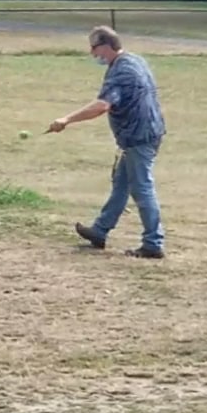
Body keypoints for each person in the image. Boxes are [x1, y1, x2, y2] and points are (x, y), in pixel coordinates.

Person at [46, 26, 166, 259]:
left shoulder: (122, 71)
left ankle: (153, 243)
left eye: (94, 48)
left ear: (106, 46)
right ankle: (99, 231)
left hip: (138, 137)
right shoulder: (135, 60)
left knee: (142, 188)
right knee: (121, 185)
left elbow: (102, 105)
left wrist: (66, 120)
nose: (92, 53)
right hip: (143, 132)